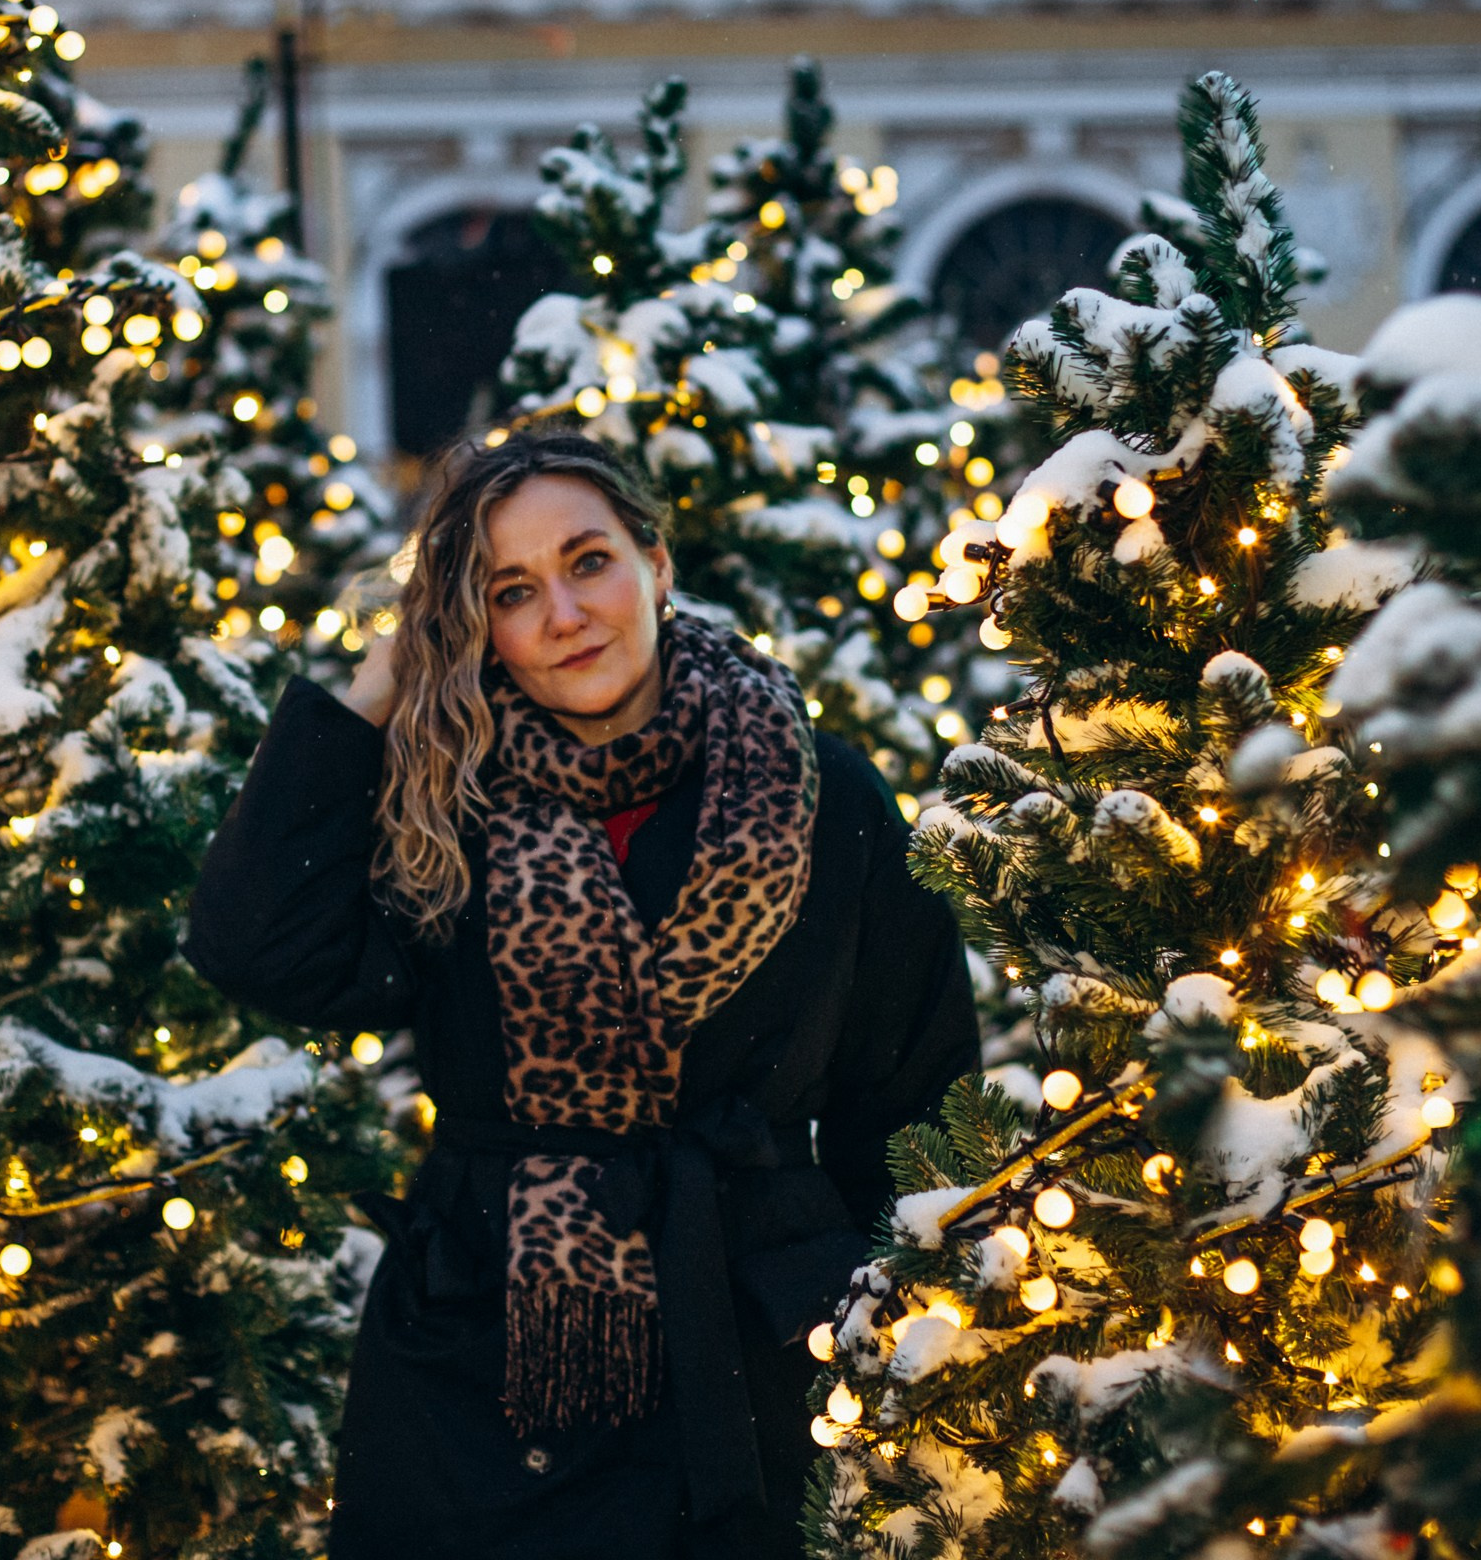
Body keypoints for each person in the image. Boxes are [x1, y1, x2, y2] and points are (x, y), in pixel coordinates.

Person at [188, 431, 977, 1559]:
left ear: (655, 565)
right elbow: (254, 947)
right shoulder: (444, 809)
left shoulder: (820, 790)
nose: (563, 613)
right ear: (477, 628)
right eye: (513, 591)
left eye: (589, 561)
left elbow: (913, 1102)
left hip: (759, 1344)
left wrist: (890, 1335)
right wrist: (374, 692)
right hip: (485, 1360)